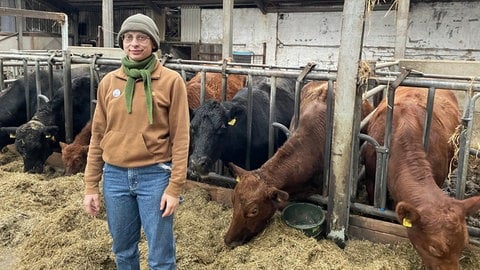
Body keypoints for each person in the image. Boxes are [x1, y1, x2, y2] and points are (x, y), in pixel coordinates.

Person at [83, 13, 190, 270]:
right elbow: (98, 135)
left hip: (155, 176)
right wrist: (90, 185)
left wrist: (174, 188)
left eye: (142, 37)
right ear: (122, 43)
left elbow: (181, 137)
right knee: (123, 250)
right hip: (115, 177)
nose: (135, 43)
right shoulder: (109, 82)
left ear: (153, 43)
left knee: (160, 254)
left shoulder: (171, 81)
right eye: (128, 37)